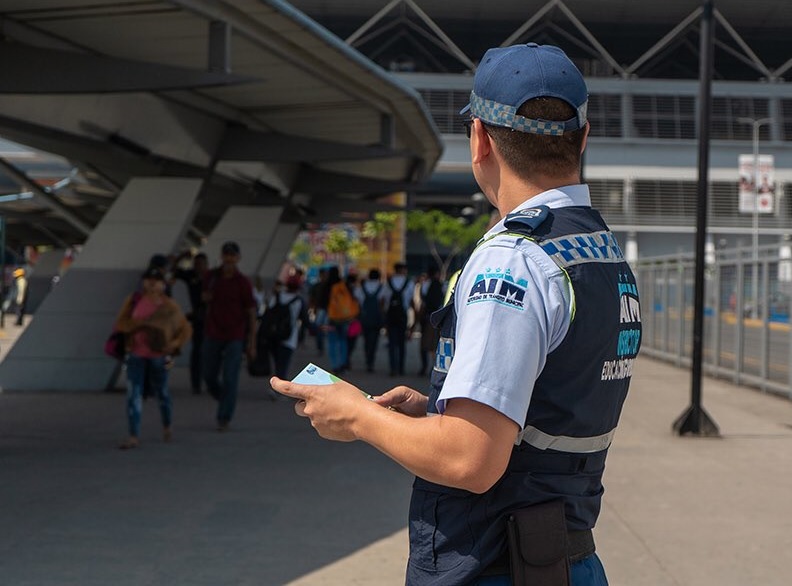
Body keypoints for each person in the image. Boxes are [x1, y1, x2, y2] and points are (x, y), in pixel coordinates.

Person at [271, 43, 642, 586]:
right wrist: (444, 408)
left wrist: (357, 415)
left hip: (495, 564)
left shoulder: (512, 262)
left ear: (480, 140)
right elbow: (556, 405)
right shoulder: (599, 251)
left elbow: (471, 460)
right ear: (582, 139)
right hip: (566, 558)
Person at [113, 267, 192, 449]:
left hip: (158, 356)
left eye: (155, 280)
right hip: (136, 354)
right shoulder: (134, 301)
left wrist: (173, 345)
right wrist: (138, 324)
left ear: (163, 284)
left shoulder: (170, 306)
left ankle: (167, 424)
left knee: (162, 393)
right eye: (148, 280)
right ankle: (133, 435)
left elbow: (185, 329)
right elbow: (120, 323)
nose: (151, 284)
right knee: (134, 394)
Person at [202, 241, 257, 432]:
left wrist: (252, 343)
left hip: (235, 335)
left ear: (238, 258)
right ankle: (224, 398)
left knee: (230, 377)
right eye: (226, 255)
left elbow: (251, 312)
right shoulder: (211, 277)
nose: (229, 259)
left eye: (232, 255)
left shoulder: (243, 282)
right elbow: (203, 298)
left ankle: (224, 417)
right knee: (208, 375)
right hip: (213, 332)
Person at [172, 251, 209, 394]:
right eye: (196, 264)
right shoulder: (191, 276)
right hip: (197, 318)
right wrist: (180, 257)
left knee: (210, 351)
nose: (198, 267)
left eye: (201, 265)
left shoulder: (211, 277)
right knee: (198, 351)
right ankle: (196, 384)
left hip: (211, 318)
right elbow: (174, 271)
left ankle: (209, 379)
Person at [266, 275, 307, 379]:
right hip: (289, 337)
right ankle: (279, 388)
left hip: (273, 335)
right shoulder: (298, 301)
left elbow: (268, 313)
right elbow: (305, 320)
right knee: (283, 365)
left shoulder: (277, 296)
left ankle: (275, 383)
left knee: (276, 362)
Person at [324, 266, 358, 374]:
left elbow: (322, 302)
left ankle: (335, 365)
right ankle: (343, 364)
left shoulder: (326, 285)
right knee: (343, 341)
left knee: (332, 342)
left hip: (331, 318)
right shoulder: (344, 285)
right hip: (345, 318)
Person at [383, 262, 413, 376]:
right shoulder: (409, 283)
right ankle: (401, 368)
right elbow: (411, 301)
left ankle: (393, 368)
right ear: (403, 270)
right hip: (402, 316)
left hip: (391, 315)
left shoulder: (388, 283)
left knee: (392, 343)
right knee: (401, 343)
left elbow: (383, 300)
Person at [416, 267, 444, 376]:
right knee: (434, 344)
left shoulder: (424, 285)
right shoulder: (440, 285)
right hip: (436, 318)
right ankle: (434, 367)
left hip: (426, 317)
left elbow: (422, 302)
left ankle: (424, 366)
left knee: (424, 344)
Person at [356, 268, 385, 373]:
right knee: (374, 340)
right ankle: (371, 361)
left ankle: (367, 360)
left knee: (366, 340)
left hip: (365, 317)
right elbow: (383, 302)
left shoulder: (362, 287)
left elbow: (358, 301)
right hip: (376, 318)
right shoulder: (382, 287)